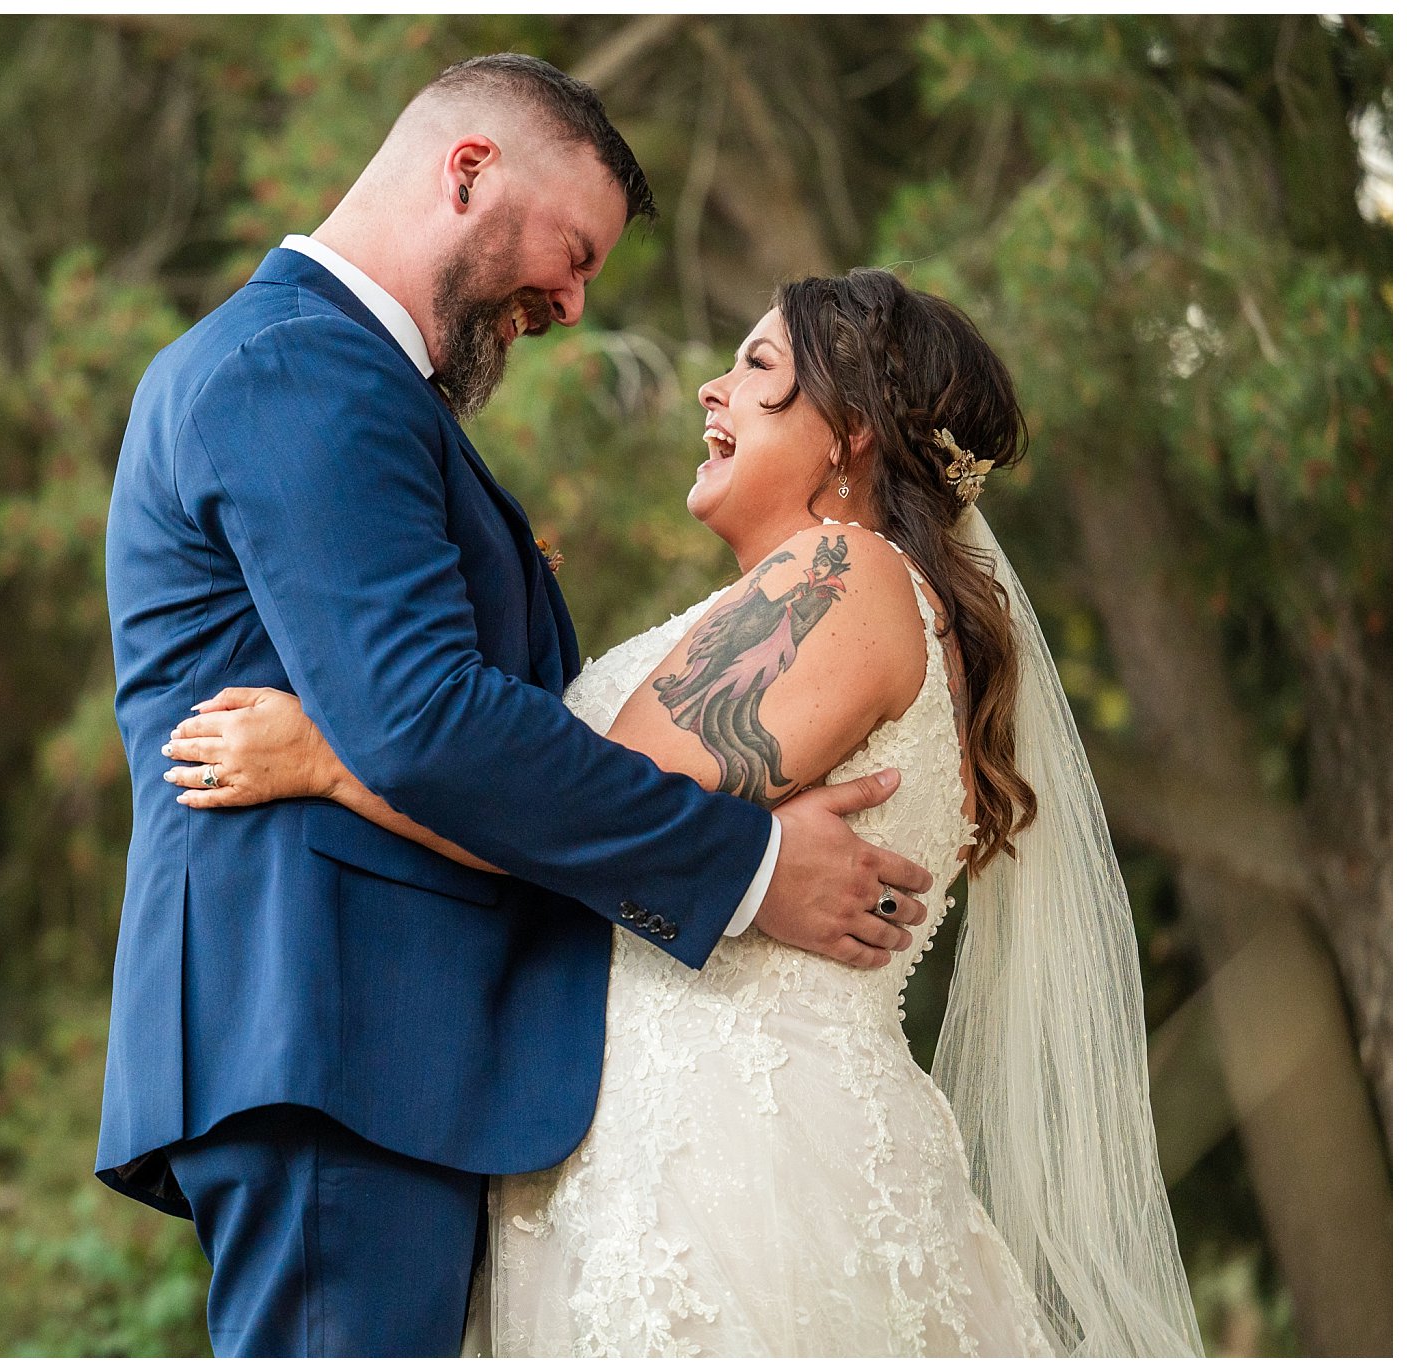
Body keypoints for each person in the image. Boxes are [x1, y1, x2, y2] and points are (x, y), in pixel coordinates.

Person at [164, 270, 1204, 1356]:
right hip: (675, 1139)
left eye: (756, 369)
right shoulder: (841, 594)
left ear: (849, 432)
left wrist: (330, 759)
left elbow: (570, 806)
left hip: (725, 1159)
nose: (711, 389)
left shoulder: (839, 574)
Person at [99, 55, 936, 1357]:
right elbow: (426, 720)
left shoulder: (346, 386)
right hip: (331, 1031)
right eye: (574, 248)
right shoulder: (297, 371)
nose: (573, 297)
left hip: (386, 1053)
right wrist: (751, 869)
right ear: (470, 171)